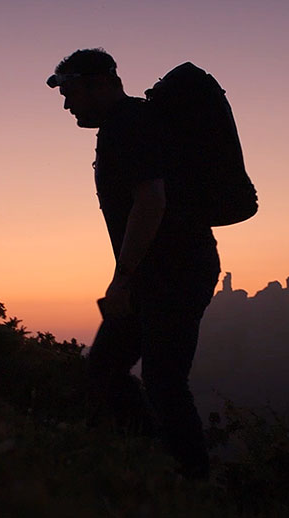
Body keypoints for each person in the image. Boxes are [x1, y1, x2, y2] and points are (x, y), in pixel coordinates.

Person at [47, 48, 220, 479]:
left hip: (175, 272)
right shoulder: (127, 125)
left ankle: (190, 483)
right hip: (158, 273)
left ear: (101, 83)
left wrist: (122, 280)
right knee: (107, 371)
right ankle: (152, 466)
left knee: (163, 381)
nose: (67, 104)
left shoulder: (130, 125)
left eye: (71, 92)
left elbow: (151, 199)